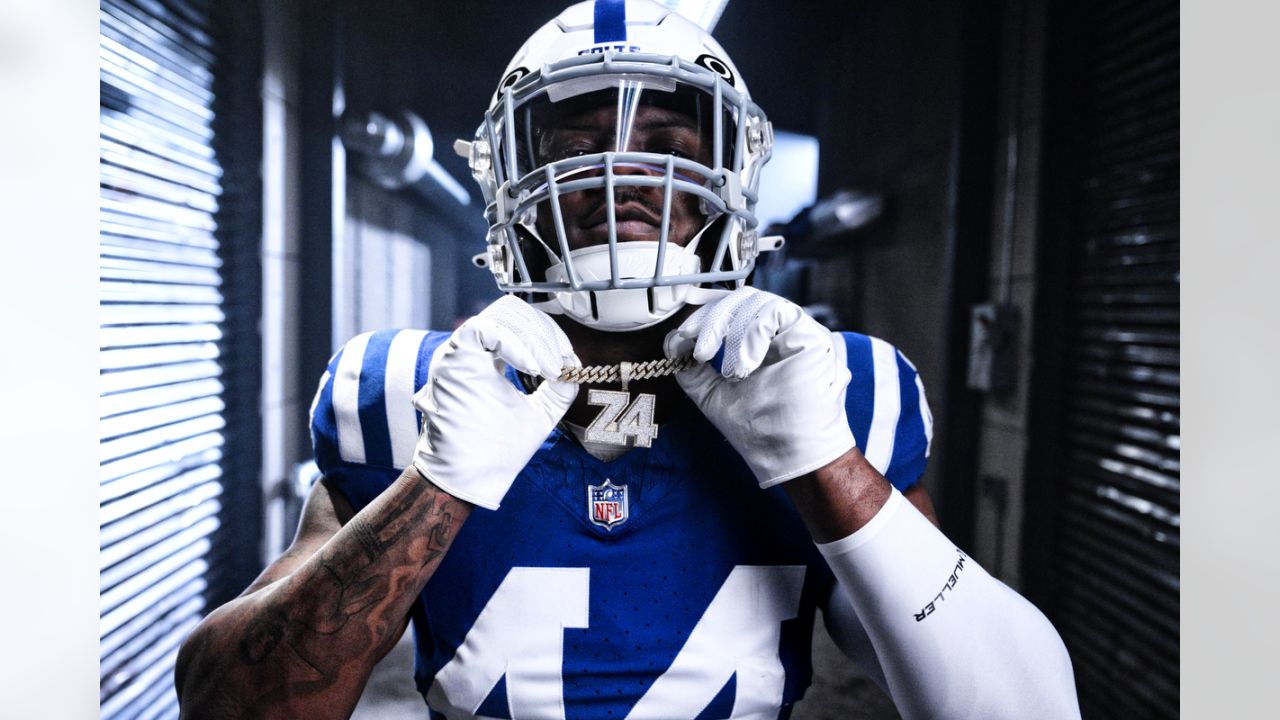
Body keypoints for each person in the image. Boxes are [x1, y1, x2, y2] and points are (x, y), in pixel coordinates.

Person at [176, 1, 1081, 718]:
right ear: (512, 188)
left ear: (728, 181)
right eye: (576, 150)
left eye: (669, 148)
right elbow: (229, 705)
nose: (623, 175)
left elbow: (1022, 707)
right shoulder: (401, 393)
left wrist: (826, 464)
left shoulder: (847, 393)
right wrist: (439, 481)